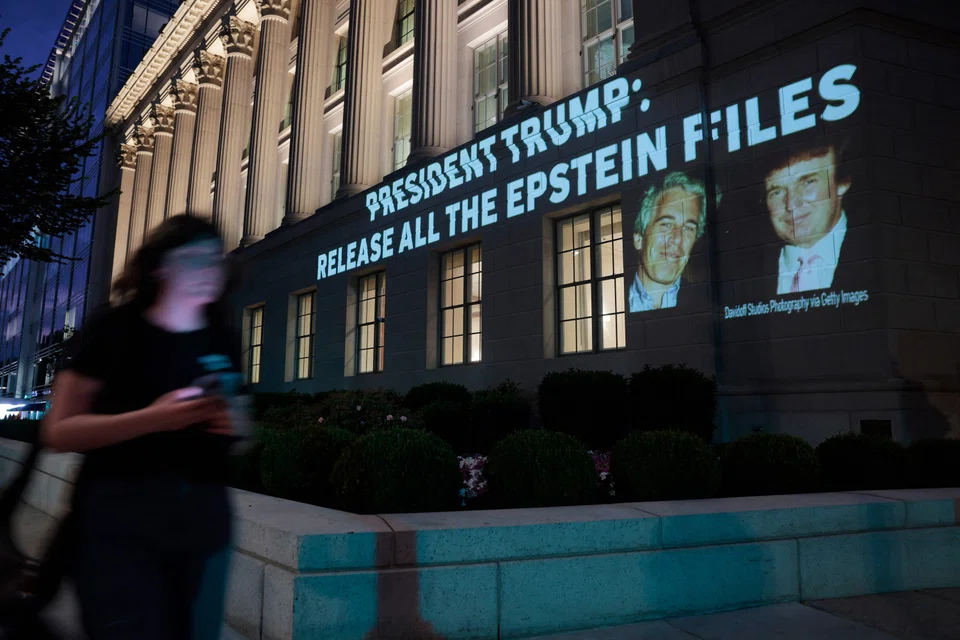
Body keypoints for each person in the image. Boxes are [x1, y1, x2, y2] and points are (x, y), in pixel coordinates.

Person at [41, 215, 250, 639]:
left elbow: (240, 435)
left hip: (204, 527)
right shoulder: (115, 329)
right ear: (159, 266)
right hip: (119, 527)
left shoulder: (222, 335)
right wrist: (154, 419)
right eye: (193, 259)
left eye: (215, 259)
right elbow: (58, 432)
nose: (208, 269)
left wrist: (233, 424)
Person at [762, 138, 852, 295]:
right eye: (777, 192)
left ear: (842, 184)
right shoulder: (744, 272)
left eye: (808, 182)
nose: (791, 204)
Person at [629, 171, 717, 312]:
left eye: (688, 228)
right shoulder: (618, 300)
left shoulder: (708, 304)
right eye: (666, 224)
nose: (677, 239)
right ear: (639, 238)